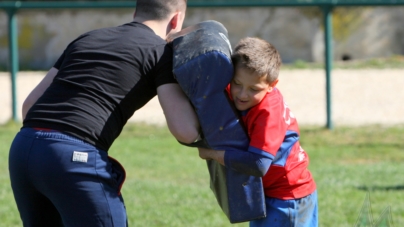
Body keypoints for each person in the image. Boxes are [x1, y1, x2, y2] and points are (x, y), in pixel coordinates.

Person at [8, 0, 200, 226]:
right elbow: (185, 131)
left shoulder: (88, 37)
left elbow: (29, 105)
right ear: (176, 19)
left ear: (136, 12)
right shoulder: (161, 52)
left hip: (23, 149)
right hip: (73, 157)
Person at [197, 37, 318, 226]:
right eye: (237, 83)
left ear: (272, 85)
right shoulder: (243, 92)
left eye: (254, 89)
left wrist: (213, 154)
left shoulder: (268, 113)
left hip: (288, 200)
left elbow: (259, 164)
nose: (242, 94)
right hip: (267, 194)